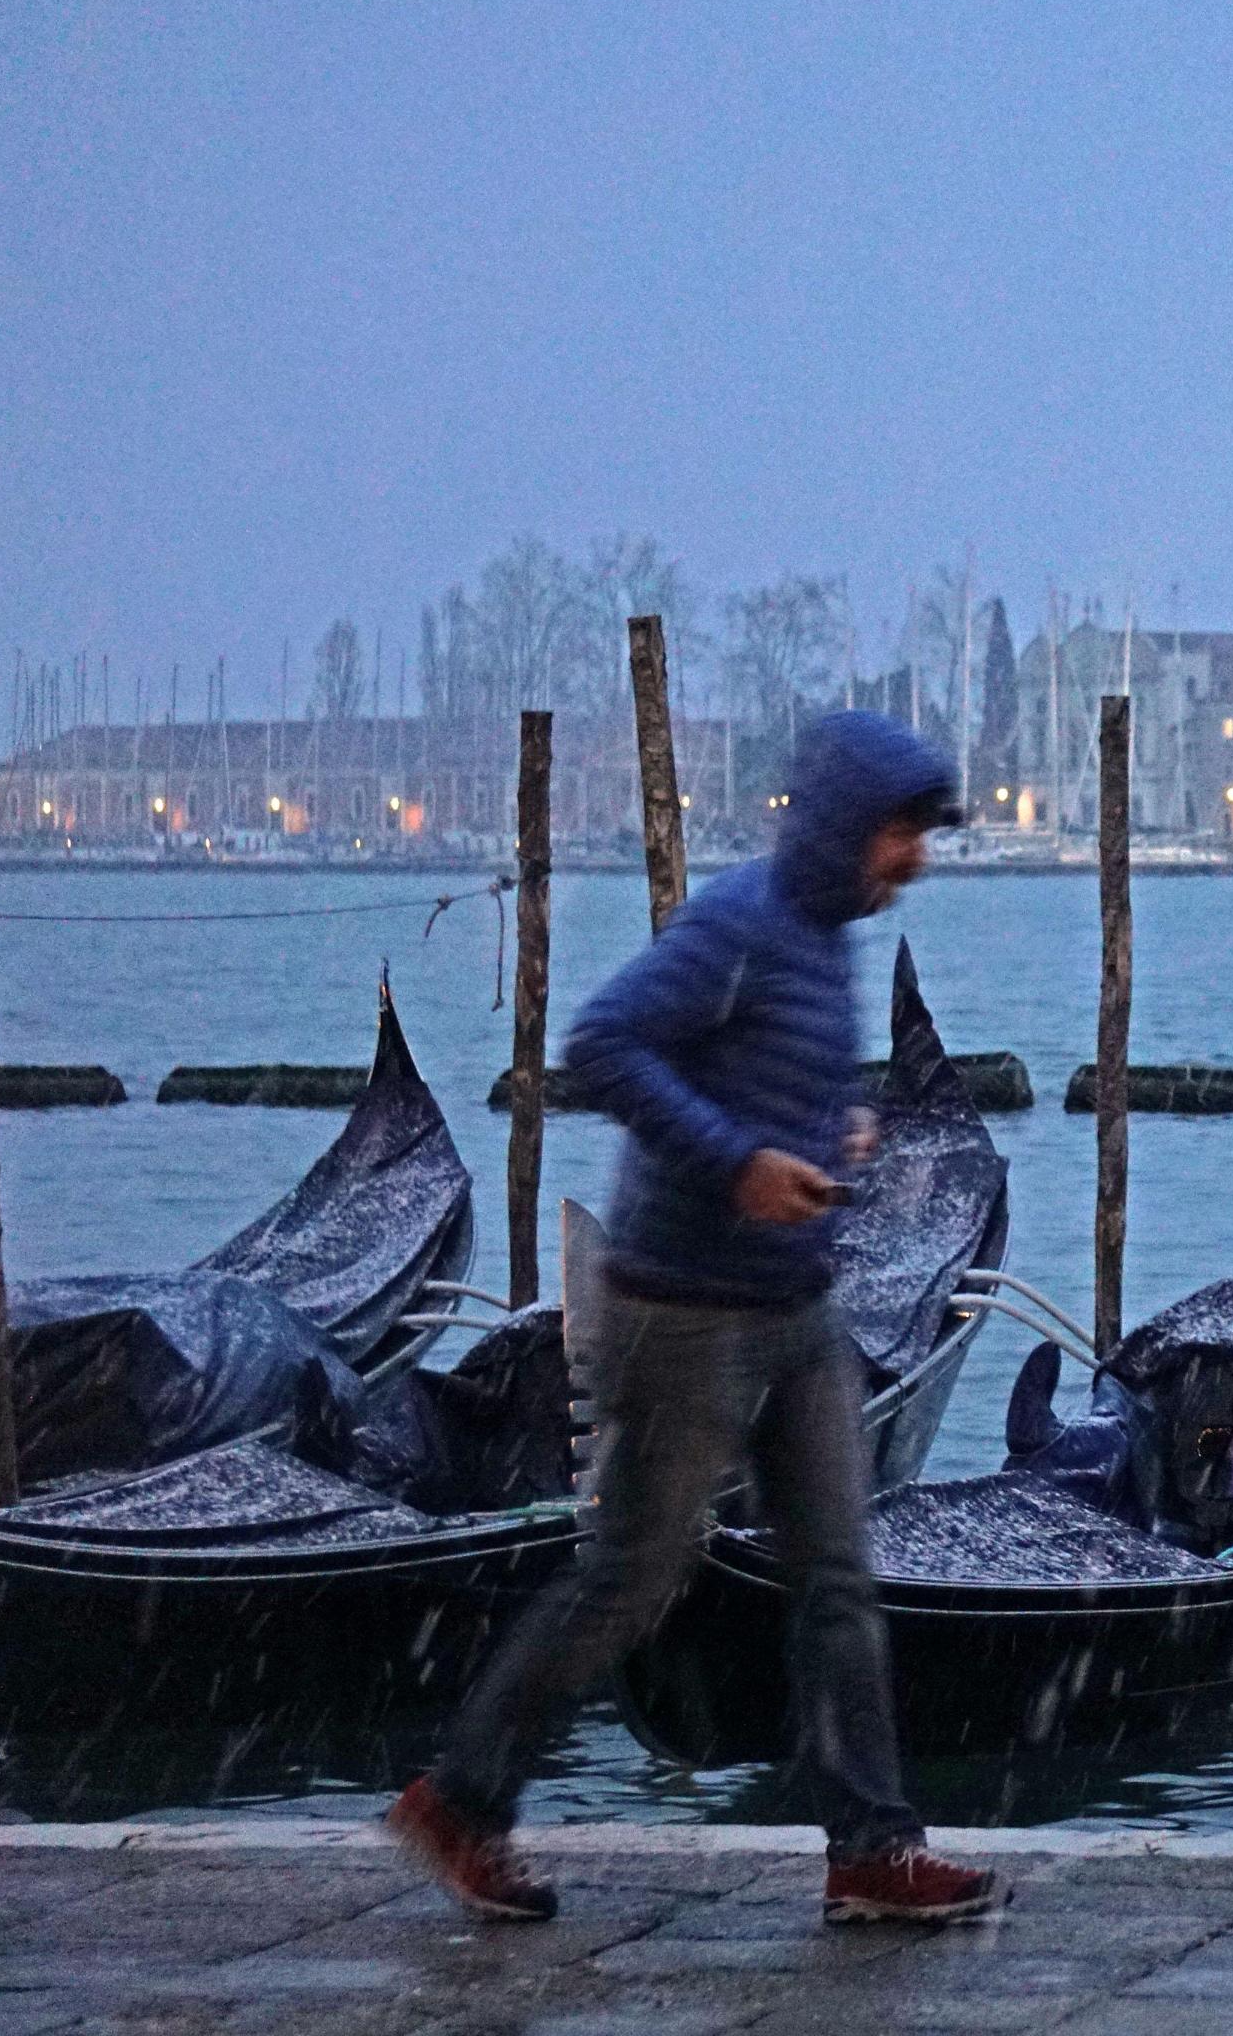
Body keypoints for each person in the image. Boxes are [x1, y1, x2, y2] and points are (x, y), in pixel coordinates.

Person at [389, 710, 994, 1926]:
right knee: (634, 1578)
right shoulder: (735, 924)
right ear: (842, 829)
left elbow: (759, 1076)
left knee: (838, 1578)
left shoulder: (826, 938)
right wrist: (735, 1166)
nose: (913, 858)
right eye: (898, 833)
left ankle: (871, 1847)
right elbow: (602, 1045)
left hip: (797, 1304)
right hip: (681, 1312)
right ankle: (461, 1797)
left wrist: (832, 1135)